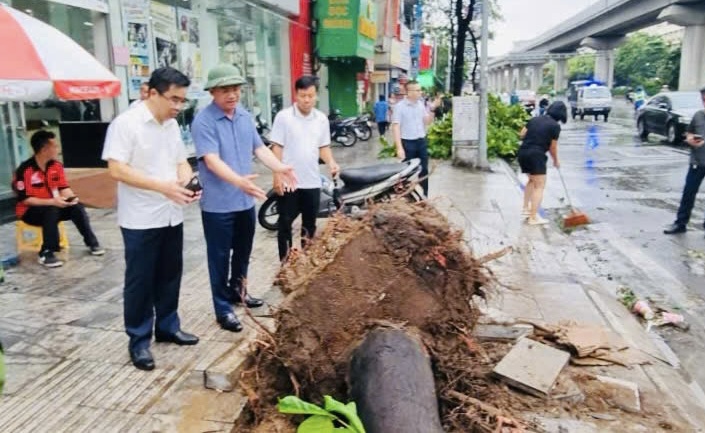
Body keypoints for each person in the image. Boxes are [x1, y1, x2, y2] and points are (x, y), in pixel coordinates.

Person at [102, 67, 200, 371]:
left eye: (182, 101)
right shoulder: (126, 124)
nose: (177, 107)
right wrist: (163, 187)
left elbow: (180, 161)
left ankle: (168, 326)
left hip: (171, 214)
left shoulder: (170, 126)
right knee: (140, 281)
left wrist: (187, 182)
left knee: (170, 274)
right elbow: (116, 169)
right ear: (152, 92)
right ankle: (139, 338)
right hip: (140, 218)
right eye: (173, 99)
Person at [192, 64, 297, 333]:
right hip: (218, 204)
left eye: (236, 89)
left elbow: (259, 147)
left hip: (244, 202)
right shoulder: (203, 122)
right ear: (213, 92)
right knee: (219, 257)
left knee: (243, 252)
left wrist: (279, 167)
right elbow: (212, 161)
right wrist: (238, 181)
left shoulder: (243, 116)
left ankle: (238, 292)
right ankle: (222, 308)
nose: (232, 95)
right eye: (225, 90)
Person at [270, 76, 340, 261]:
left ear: (316, 95)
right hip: (289, 181)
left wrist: (331, 162)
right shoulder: (283, 117)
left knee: (310, 224)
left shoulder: (321, 119)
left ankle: (306, 261)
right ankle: (285, 263)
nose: (306, 100)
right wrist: (277, 175)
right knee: (285, 222)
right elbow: (277, 147)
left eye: (310, 95)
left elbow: (323, 147)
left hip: (311, 181)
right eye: (302, 96)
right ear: (296, 95)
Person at [12, 130, 105, 268]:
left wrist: (72, 198)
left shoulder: (56, 166)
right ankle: (47, 252)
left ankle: (92, 243)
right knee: (52, 209)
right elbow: (25, 199)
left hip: (53, 206)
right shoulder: (26, 170)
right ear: (44, 149)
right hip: (29, 211)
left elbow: (63, 187)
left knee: (76, 207)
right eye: (54, 146)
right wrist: (52, 202)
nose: (57, 149)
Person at [517, 101, 568, 225]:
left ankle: (526, 210)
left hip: (523, 152)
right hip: (536, 155)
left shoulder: (535, 119)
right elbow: (553, 147)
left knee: (531, 181)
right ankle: (533, 217)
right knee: (539, 185)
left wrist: (533, 137)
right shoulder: (555, 126)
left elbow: (522, 134)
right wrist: (556, 161)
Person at [663, 86, 705, 235]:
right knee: (688, 193)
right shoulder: (698, 115)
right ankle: (680, 223)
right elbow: (690, 131)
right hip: (697, 161)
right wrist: (690, 139)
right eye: (703, 99)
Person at [392, 80, 439, 197]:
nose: (420, 92)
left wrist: (433, 109)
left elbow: (427, 122)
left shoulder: (420, 104)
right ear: (409, 92)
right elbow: (396, 127)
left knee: (424, 170)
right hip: (407, 143)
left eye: (420, 90)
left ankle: (424, 196)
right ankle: (404, 196)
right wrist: (399, 148)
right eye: (418, 90)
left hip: (421, 141)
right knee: (406, 172)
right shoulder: (399, 107)